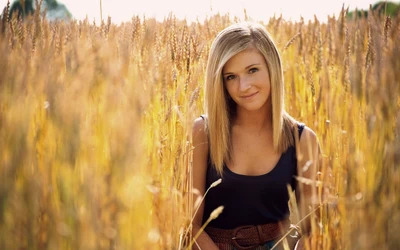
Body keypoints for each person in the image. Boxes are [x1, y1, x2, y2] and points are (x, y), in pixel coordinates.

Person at [191, 22, 321, 250]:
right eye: (231, 76)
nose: (244, 86)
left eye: (252, 70)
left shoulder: (302, 139)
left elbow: (313, 228)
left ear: (272, 67)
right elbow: (189, 224)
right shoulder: (203, 132)